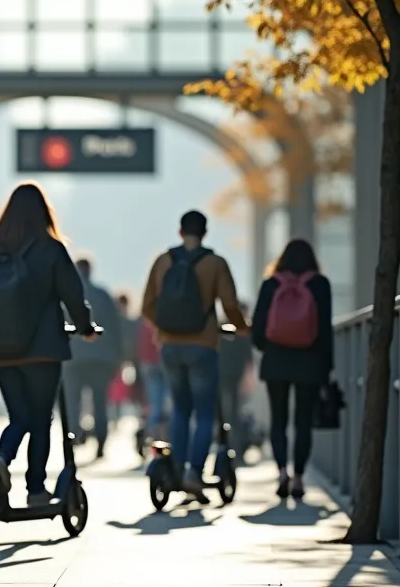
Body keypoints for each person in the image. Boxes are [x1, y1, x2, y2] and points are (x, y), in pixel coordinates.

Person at [0, 182, 97, 507]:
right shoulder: (50, 248)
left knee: (19, 417)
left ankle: (2, 457)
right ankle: (36, 490)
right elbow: (73, 294)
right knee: (41, 418)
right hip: (42, 348)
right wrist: (85, 328)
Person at [141, 210, 249, 502]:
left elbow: (148, 305)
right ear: (205, 232)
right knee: (204, 413)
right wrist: (241, 328)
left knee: (179, 408)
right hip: (204, 346)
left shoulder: (163, 262)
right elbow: (229, 304)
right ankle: (194, 471)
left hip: (170, 347)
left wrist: (165, 329)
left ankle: (175, 469)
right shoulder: (215, 263)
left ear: (179, 232)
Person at [250, 239, 332, 500]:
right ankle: (298, 478)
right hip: (309, 362)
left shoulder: (271, 284)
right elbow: (325, 330)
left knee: (279, 420)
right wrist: (326, 365)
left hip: (276, 361)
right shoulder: (320, 284)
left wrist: (268, 347)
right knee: (303, 421)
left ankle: (282, 472)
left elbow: (258, 328)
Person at [63, 257, 122, 459]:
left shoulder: (66, 296)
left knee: (73, 401)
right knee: (100, 401)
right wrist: (119, 356)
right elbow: (116, 328)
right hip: (101, 358)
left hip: (73, 358)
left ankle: (74, 435)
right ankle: (101, 440)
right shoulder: (103, 295)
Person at [218, 301, 255, 455]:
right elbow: (248, 357)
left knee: (221, 413)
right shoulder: (243, 331)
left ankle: (223, 448)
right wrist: (248, 378)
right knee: (234, 413)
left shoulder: (221, 327)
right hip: (235, 376)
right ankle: (236, 450)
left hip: (219, 374)